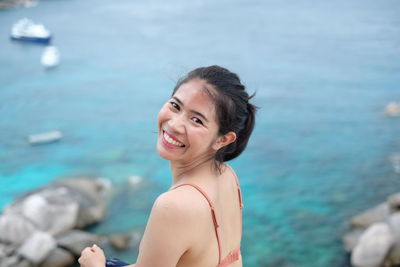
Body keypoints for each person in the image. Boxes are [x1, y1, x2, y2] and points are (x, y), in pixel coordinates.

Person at [78, 65, 257, 267]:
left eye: (196, 120)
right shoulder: (227, 175)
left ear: (223, 140)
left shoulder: (173, 206)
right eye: (175, 106)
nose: (174, 124)